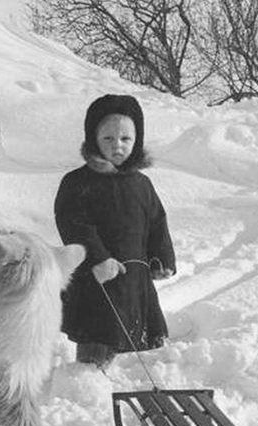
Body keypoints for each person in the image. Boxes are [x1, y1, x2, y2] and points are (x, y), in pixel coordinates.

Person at [54, 94, 175, 368]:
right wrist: (97, 259)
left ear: (137, 140)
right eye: (108, 139)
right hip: (99, 282)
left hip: (136, 283)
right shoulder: (78, 183)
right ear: (93, 138)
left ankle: (135, 395)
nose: (117, 146)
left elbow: (156, 222)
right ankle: (90, 393)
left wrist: (161, 258)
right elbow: (74, 224)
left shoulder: (142, 184)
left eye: (125, 139)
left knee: (141, 354)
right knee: (99, 342)